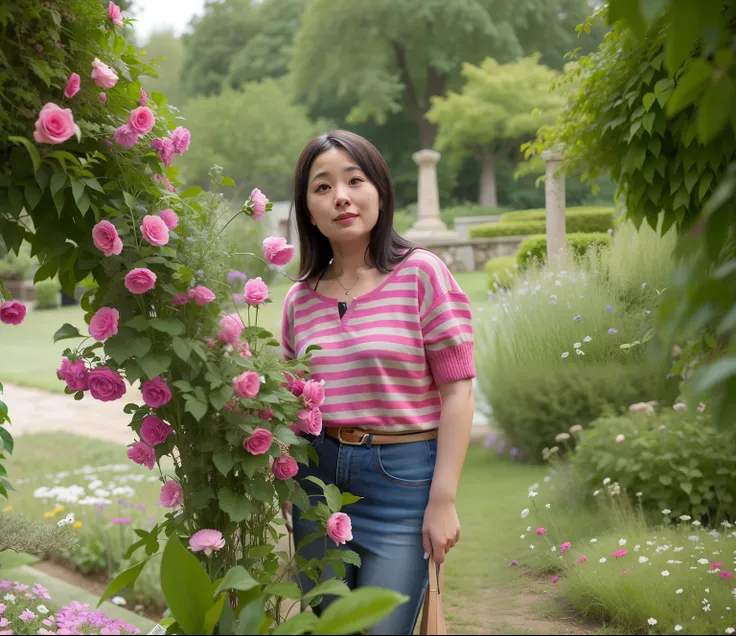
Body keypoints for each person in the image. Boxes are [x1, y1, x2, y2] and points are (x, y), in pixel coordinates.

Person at [280, 130, 475, 635]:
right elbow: (287, 404)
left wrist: (443, 500)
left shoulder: (422, 275)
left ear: (379, 191)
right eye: (322, 187)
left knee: (383, 629)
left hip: (403, 480)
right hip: (317, 480)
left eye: (354, 180)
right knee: (330, 627)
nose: (340, 196)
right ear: (308, 210)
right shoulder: (298, 299)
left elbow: (458, 391)